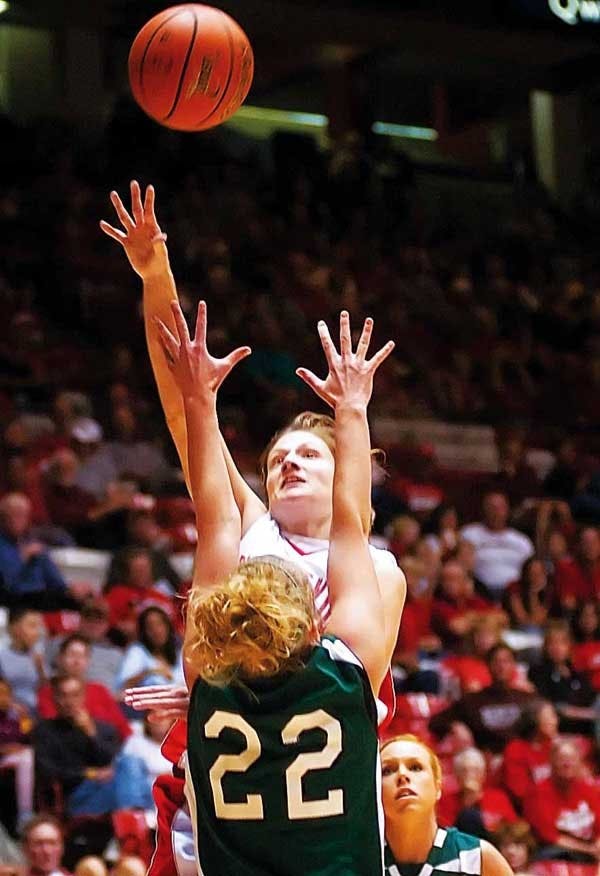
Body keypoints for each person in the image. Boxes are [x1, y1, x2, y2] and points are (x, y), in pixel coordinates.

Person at [127, 306, 399, 876]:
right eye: (278, 459)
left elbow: (213, 517)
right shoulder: (345, 659)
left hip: (233, 791)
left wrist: (208, 695)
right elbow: (349, 518)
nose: (289, 464)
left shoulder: (208, 668)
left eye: (307, 454)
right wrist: (353, 408)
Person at [381, 734, 513, 876]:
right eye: (387, 770)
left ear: (437, 788)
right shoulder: (362, 862)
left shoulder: (478, 858)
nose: (402, 775)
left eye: (415, 767)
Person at [33, 674, 153, 817]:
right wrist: (89, 774)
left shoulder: (104, 729)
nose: (69, 701)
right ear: (55, 698)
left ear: (83, 696)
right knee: (133, 786)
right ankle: (138, 821)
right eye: (64, 696)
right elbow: (47, 770)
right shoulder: (44, 730)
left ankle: (132, 819)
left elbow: (113, 761)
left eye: (75, 695)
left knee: (131, 764)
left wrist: (91, 734)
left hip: (111, 789)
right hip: (76, 797)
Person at [429, 644, 538, 753]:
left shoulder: (527, 699)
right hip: (484, 758)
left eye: (506, 661)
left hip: (521, 758)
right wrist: (454, 726)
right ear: (487, 666)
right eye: (496, 662)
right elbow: (435, 722)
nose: (501, 666)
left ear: (514, 665)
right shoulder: (473, 700)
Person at [37, 633, 131, 741]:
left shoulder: (100, 690)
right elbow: (51, 729)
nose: (77, 661)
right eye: (72, 655)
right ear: (60, 658)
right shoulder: (48, 692)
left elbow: (122, 727)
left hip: (106, 747)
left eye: (82, 656)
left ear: (88, 661)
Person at [524, 738, 600, 862]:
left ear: (580, 763)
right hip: (558, 851)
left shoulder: (589, 789)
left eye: (572, 759)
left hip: (590, 849)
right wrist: (589, 849)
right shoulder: (538, 792)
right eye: (562, 759)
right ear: (551, 762)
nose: (567, 764)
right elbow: (550, 838)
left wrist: (598, 844)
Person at [461, 492, 534, 602]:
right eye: (492, 507)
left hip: (515, 592)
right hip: (480, 589)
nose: (496, 512)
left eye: (500, 508)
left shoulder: (521, 540)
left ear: (507, 510)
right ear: (484, 510)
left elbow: (532, 568)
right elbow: (462, 564)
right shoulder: (470, 533)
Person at [528, 619, 596, 734]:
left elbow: (590, 697)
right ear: (545, 646)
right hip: (557, 729)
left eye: (562, 643)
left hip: (585, 728)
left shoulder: (576, 673)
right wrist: (579, 712)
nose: (557, 647)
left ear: (569, 646)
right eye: (552, 643)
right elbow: (547, 703)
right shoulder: (538, 672)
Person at [437, 747, 517, 838]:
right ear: (456, 775)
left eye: (475, 770)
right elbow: (445, 832)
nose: (469, 775)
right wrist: (468, 802)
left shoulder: (498, 798)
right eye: (464, 770)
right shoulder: (446, 801)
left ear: (483, 774)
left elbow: (511, 829)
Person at [503, 700, 559, 808]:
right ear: (534, 721)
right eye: (551, 716)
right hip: (528, 809)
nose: (555, 722)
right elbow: (519, 793)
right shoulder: (515, 750)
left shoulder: (555, 746)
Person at [115, 606, 184, 693]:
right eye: (150, 627)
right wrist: (151, 671)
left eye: (160, 624)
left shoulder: (179, 652)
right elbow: (124, 687)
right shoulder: (137, 651)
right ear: (143, 632)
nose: (156, 631)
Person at [0, 607, 46, 714]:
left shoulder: (39, 656)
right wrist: (10, 704)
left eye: (39, 627)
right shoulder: (2, 656)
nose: (37, 632)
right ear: (14, 628)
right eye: (32, 626)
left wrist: (40, 668)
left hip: (37, 714)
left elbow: (46, 690)